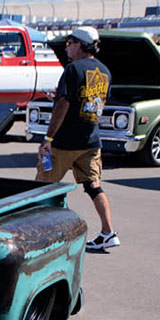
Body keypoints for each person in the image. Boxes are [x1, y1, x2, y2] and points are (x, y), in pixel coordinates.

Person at [37, 26, 118, 251]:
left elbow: (64, 104)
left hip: (63, 143)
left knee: (43, 187)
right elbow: (96, 102)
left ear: (80, 45)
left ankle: (45, 236)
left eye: (70, 43)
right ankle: (108, 232)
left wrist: (48, 139)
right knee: (93, 186)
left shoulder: (72, 70)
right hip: (91, 142)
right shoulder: (105, 71)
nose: (67, 47)